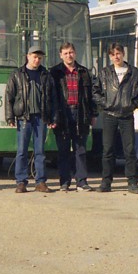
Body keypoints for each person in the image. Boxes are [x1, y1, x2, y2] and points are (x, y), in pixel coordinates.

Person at [93, 42, 138, 194]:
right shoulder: (105, 73)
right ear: (110, 56)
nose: (116, 57)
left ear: (123, 54)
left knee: (129, 150)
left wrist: (132, 105)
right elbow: (95, 92)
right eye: (112, 54)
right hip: (109, 115)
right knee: (108, 150)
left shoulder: (134, 72)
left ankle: (132, 182)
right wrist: (106, 104)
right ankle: (106, 182)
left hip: (126, 116)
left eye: (118, 53)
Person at [4, 44, 57, 193]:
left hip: (41, 118)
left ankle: (41, 182)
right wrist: (10, 117)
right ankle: (21, 182)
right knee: (22, 151)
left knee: (40, 151)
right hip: (24, 118)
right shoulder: (17, 74)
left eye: (39, 57)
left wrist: (53, 117)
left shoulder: (46, 75)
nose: (37, 60)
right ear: (28, 56)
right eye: (34, 57)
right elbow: (9, 96)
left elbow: (53, 98)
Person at [50, 42, 97, 192]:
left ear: (75, 53)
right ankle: (64, 182)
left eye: (71, 52)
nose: (68, 56)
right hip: (62, 114)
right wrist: (51, 116)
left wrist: (93, 114)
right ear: (60, 55)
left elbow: (91, 96)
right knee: (63, 150)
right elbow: (50, 97)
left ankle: (81, 181)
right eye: (65, 53)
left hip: (81, 113)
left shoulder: (84, 72)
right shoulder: (54, 73)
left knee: (80, 149)